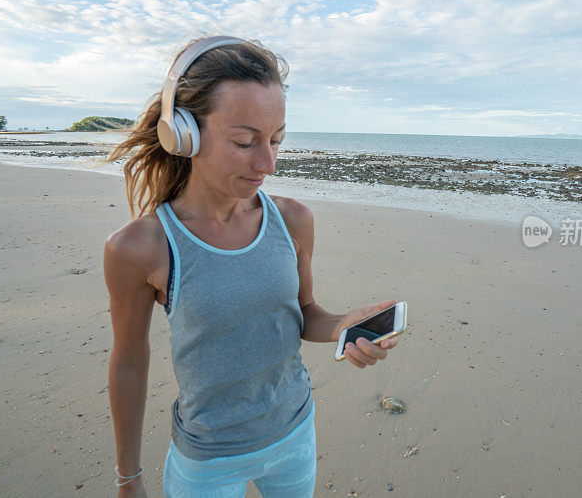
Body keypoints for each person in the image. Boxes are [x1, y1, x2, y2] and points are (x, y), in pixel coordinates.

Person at [103, 36, 399, 498]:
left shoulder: (293, 219)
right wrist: (128, 478)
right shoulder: (141, 246)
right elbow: (128, 361)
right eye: (245, 141)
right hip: (207, 459)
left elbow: (303, 314)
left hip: (296, 434)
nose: (268, 163)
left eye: (277, 139)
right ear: (182, 133)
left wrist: (344, 325)